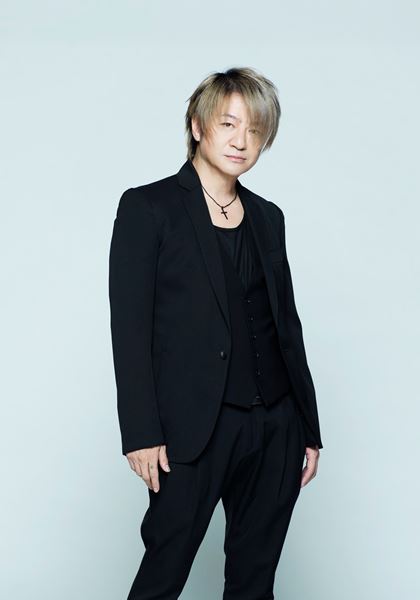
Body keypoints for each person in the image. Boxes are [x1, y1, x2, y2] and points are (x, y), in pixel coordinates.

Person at [109, 66, 324, 600]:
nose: (241, 141)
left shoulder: (268, 217)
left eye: (254, 129)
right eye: (228, 124)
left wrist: (308, 426)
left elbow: (286, 326)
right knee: (163, 573)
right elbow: (129, 328)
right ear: (198, 126)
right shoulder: (148, 208)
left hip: (276, 425)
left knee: (255, 581)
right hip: (193, 429)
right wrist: (140, 432)